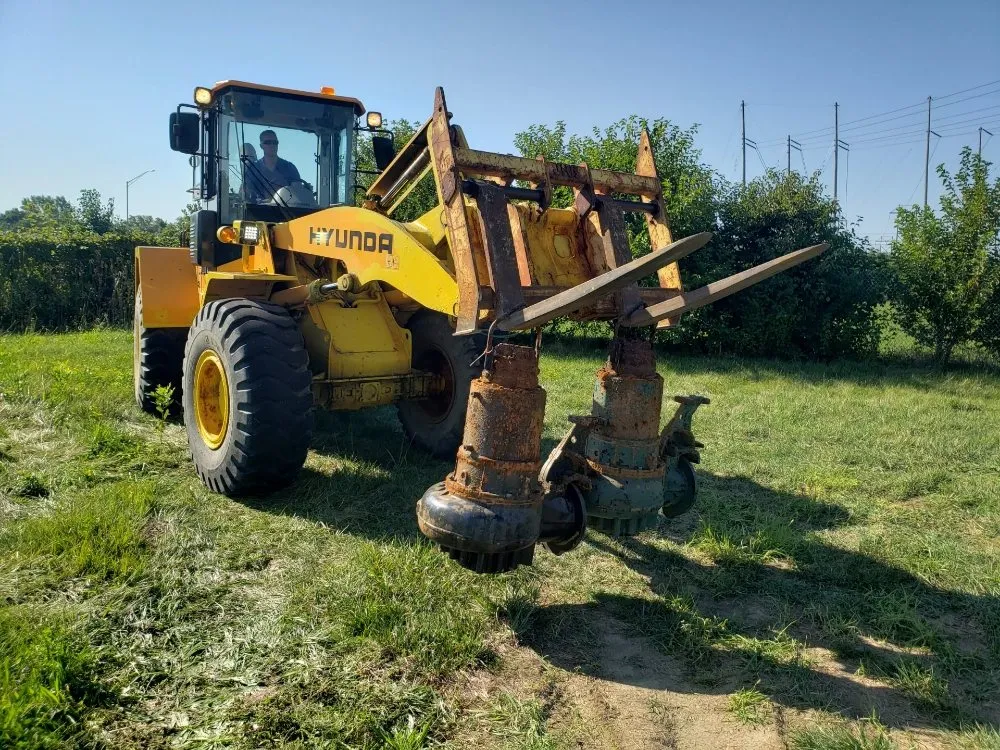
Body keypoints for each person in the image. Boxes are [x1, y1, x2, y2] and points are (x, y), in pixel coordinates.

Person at [253, 129, 300, 200]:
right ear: (261, 146)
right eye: (268, 142)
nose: (272, 145)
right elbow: (247, 194)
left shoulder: (290, 168)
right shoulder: (253, 168)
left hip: (286, 210)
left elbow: (298, 193)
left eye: (275, 142)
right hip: (259, 209)